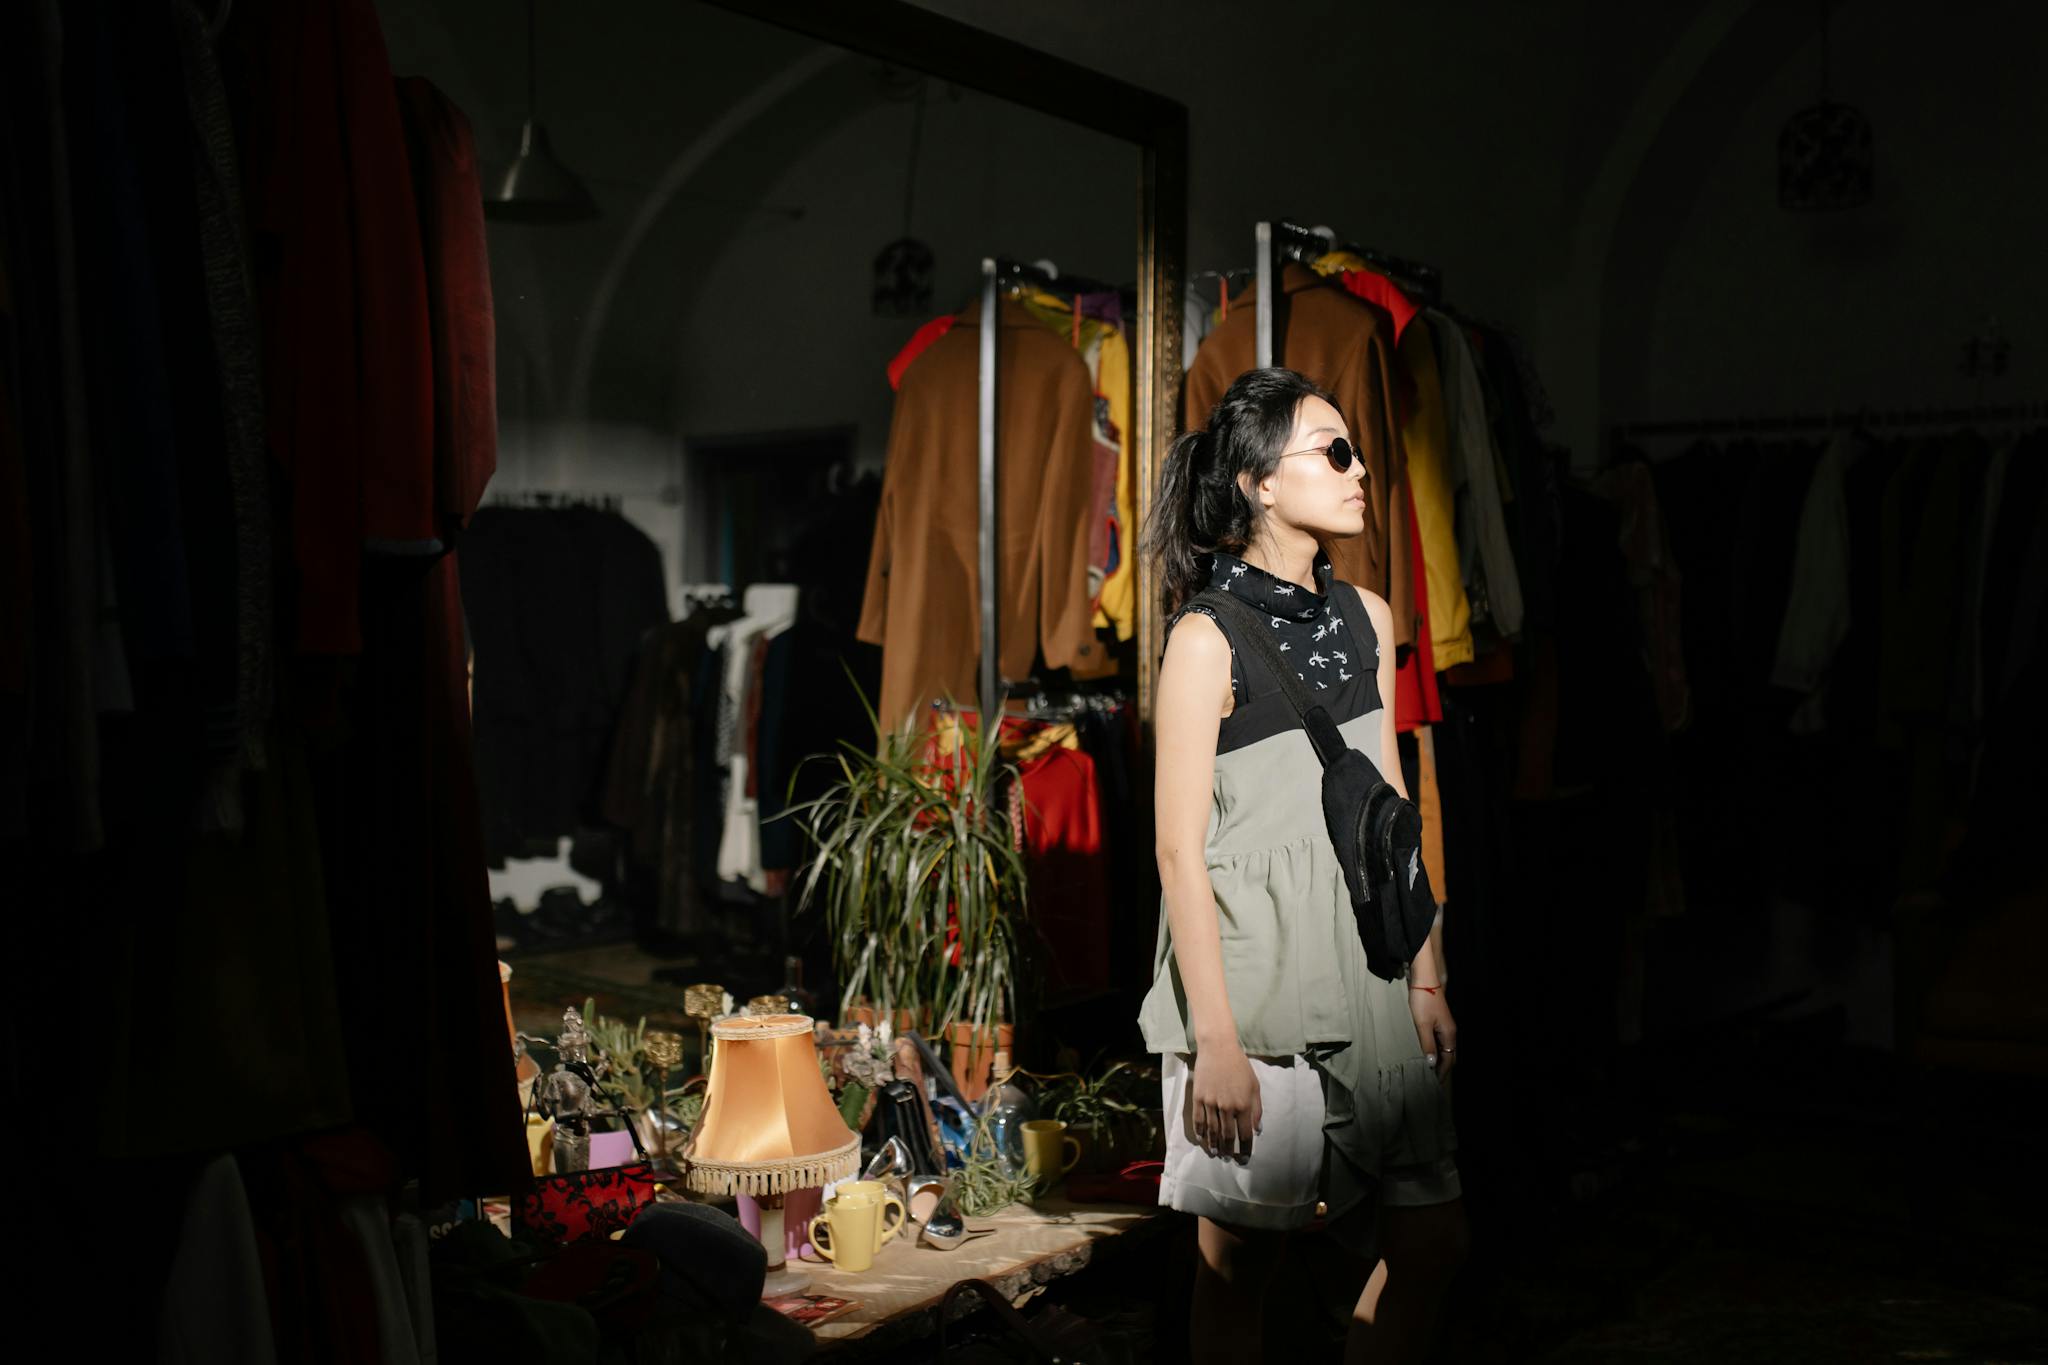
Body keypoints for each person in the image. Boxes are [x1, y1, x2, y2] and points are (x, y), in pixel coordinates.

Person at [1137, 368, 1466, 1362]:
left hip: (1370, 961)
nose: (1360, 471)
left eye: (1353, 451)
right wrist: (1217, 1041)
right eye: (1334, 452)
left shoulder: (1369, 615)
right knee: (1239, 1262)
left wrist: (1426, 973)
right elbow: (1176, 850)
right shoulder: (1204, 638)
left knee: (1430, 1241)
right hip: (1254, 979)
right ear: (1259, 483)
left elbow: (1392, 807)